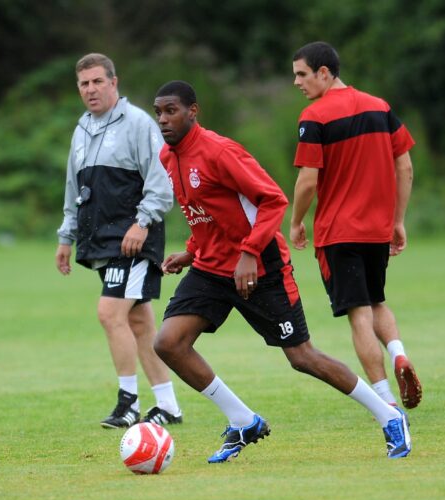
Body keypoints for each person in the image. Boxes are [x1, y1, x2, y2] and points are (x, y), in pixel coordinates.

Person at [151, 80, 411, 463]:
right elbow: (207, 214)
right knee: (168, 343)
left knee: (302, 357)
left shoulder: (220, 152)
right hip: (212, 268)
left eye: (171, 110)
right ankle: (243, 421)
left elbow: (273, 200)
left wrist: (249, 253)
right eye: (158, 112)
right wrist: (191, 253)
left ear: (193, 111)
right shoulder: (167, 157)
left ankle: (390, 417)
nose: (163, 119)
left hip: (262, 266)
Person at [290, 41, 422, 410]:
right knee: (377, 300)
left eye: (302, 74)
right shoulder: (380, 108)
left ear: (324, 73)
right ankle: (398, 353)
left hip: (338, 232)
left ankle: (384, 402)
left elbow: (308, 180)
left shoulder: (314, 117)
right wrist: (397, 220)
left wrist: (297, 221)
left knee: (358, 313)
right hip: (377, 229)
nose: (297, 82)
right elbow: (406, 167)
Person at [56, 53, 182, 428]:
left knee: (110, 314)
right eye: (84, 84)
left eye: (97, 81)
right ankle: (169, 405)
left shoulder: (140, 123)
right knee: (140, 322)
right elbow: (73, 189)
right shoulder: (81, 130)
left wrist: (141, 223)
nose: (90, 89)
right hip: (101, 240)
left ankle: (128, 402)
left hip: (133, 241)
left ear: (114, 82)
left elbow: (162, 183)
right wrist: (67, 236)